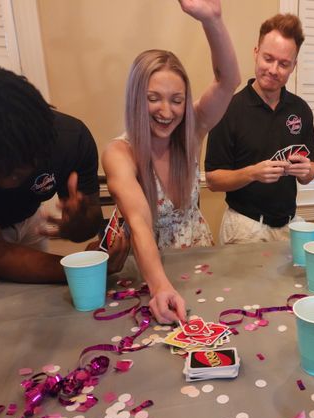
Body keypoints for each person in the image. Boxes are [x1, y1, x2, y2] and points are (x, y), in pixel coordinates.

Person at [102, 0, 240, 324]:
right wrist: (160, 286)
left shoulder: (190, 133)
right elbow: (138, 221)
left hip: (201, 265)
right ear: (136, 97)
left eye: (177, 100)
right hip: (150, 278)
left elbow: (227, 81)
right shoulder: (119, 154)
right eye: (153, 98)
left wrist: (212, 19)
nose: (167, 111)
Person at [0, 65, 128, 283]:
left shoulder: (70, 140)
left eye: (17, 170)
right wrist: (82, 271)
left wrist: (78, 224)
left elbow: (88, 224)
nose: (7, 181)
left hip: (31, 218)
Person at [205, 13, 314, 245]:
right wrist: (253, 173)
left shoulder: (301, 109)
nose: (274, 70)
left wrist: (306, 171)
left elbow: (311, 170)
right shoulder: (228, 108)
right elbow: (213, 180)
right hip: (244, 227)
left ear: (294, 66)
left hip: (290, 227)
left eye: (284, 64)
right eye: (268, 58)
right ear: (256, 52)